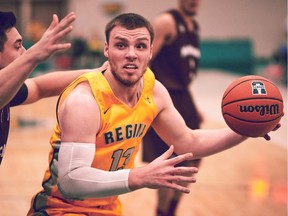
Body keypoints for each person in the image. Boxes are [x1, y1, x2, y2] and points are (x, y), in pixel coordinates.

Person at [27, 13, 279, 216]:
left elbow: (189, 142)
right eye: (121, 45)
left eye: (140, 46)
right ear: (106, 50)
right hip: (60, 209)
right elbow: (71, 181)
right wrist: (139, 177)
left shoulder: (154, 91)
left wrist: (246, 130)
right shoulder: (84, 100)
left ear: (150, 52)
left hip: (108, 208)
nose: (131, 54)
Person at [0, 11, 106, 165]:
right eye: (17, 46)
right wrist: (33, 56)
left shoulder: (9, 90)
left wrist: (98, 74)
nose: (23, 51)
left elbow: (40, 86)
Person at [142, 1, 202, 215]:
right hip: (163, 97)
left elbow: (184, 71)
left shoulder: (194, 27)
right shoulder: (166, 22)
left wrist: (191, 104)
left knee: (193, 160)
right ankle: (161, 212)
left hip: (184, 97)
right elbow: (144, 61)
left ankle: (171, 211)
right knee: (167, 165)